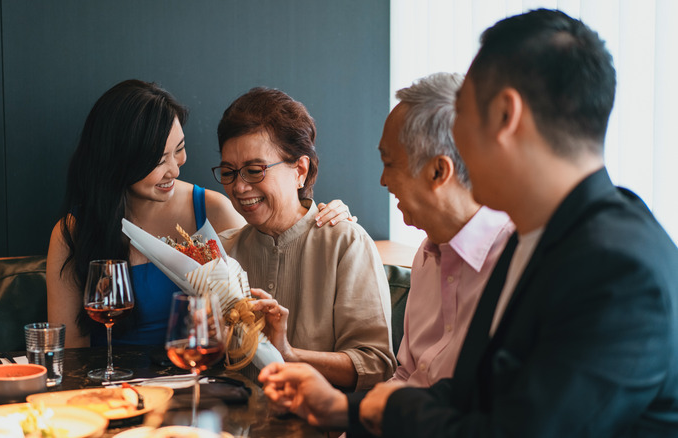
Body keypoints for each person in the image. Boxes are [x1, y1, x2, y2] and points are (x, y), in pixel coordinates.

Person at [259, 9, 678, 437]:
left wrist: (392, 409)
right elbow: (472, 395)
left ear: (504, 115)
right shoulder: (536, 237)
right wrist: (345, 410)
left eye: (461, 113)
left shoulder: (619, 269)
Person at [47, 79, 353, 348]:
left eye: (179, 149)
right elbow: (71, 349)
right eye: (158, 160)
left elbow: (273, 250)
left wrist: (320, 212)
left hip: (196, 377)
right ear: (118, 161)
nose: (176, 168)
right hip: (112, 392)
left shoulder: (212, 210)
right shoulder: (73, 232)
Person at [215, 87, 397, 391]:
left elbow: (376, 366)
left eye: (254, 170)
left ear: (300, 170)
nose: (239, 186)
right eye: (229, 172)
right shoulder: (222, 251)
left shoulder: (346, 243)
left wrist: (289, 353)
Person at [379, 72, 514, 388]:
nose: (383, 181)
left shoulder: (516, 260)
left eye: (389, 163)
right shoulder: (426, 255)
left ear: (438, 171)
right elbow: (407, 375)